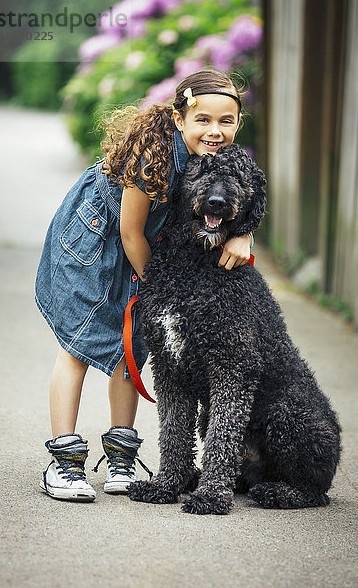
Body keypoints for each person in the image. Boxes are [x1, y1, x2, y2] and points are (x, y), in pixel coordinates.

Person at [35, 67, 255, 502]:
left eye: (225, 121)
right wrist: (159, 288)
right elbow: (131, 232)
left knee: (132, 345)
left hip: (141, 247)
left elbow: (244, 198)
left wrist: (244, 233)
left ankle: (120, 455)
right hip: (96, 240)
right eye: (203, 120)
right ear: (179, 119)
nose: (214, 131)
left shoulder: (218, 158)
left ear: (237, 123)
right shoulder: (150, 157)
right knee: (79, 345)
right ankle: (63, 460)